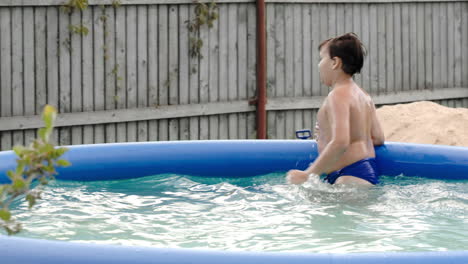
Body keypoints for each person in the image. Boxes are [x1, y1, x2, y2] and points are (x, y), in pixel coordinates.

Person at [287, 33, 385, 186]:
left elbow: (340, 142)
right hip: (363, 172)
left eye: (321, 59)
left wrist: (308, 174)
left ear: (335, 63)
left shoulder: (337, 95)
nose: (319, 65)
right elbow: (378, 138)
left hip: (349, 177)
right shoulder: (364, 96)